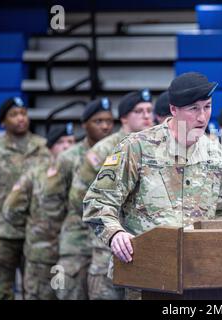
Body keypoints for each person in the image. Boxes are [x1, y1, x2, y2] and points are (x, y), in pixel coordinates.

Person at [82, 72, 222, 299]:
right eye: (193, 109)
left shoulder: (214, 154)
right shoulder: (138, 147)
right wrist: (115, 234)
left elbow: (221, 211)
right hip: (147, 275)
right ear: (173, 110)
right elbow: (97, 201)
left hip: (199, 276)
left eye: (208, 106)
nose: (202, 117)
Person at [64, 89, 154, 300]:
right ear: (124, 118)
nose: (146, 116)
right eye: (139, 111)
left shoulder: (155, 146)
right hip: (108, 246)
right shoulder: (103, 149)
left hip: (143, 244)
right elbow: (79, 198)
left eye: (149, 110)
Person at [0, 97, 50, 299]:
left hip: (35, 231)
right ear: (3, 121)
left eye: (23, 113)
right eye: (14, 115)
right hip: (2, 233)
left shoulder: (42, 148)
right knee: (0, 291)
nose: (21, 118)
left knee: (36, 291)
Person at [2, 123, 76, 300]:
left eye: (71, 142)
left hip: (74, 255)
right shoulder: (36, 174)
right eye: (61, 142)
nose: (67, 147)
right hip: (41, 255)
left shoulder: (82, 172)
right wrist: (34, 228)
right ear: (50, 148)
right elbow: (10, 209)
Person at [53, 98, 114, 300]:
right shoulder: (68, 157)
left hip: (105, 244)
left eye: (108, 121)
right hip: (76, 243)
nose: (105, 126)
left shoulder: (119, 151)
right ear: (84, 124)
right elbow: (53, 201)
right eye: (98, 121)